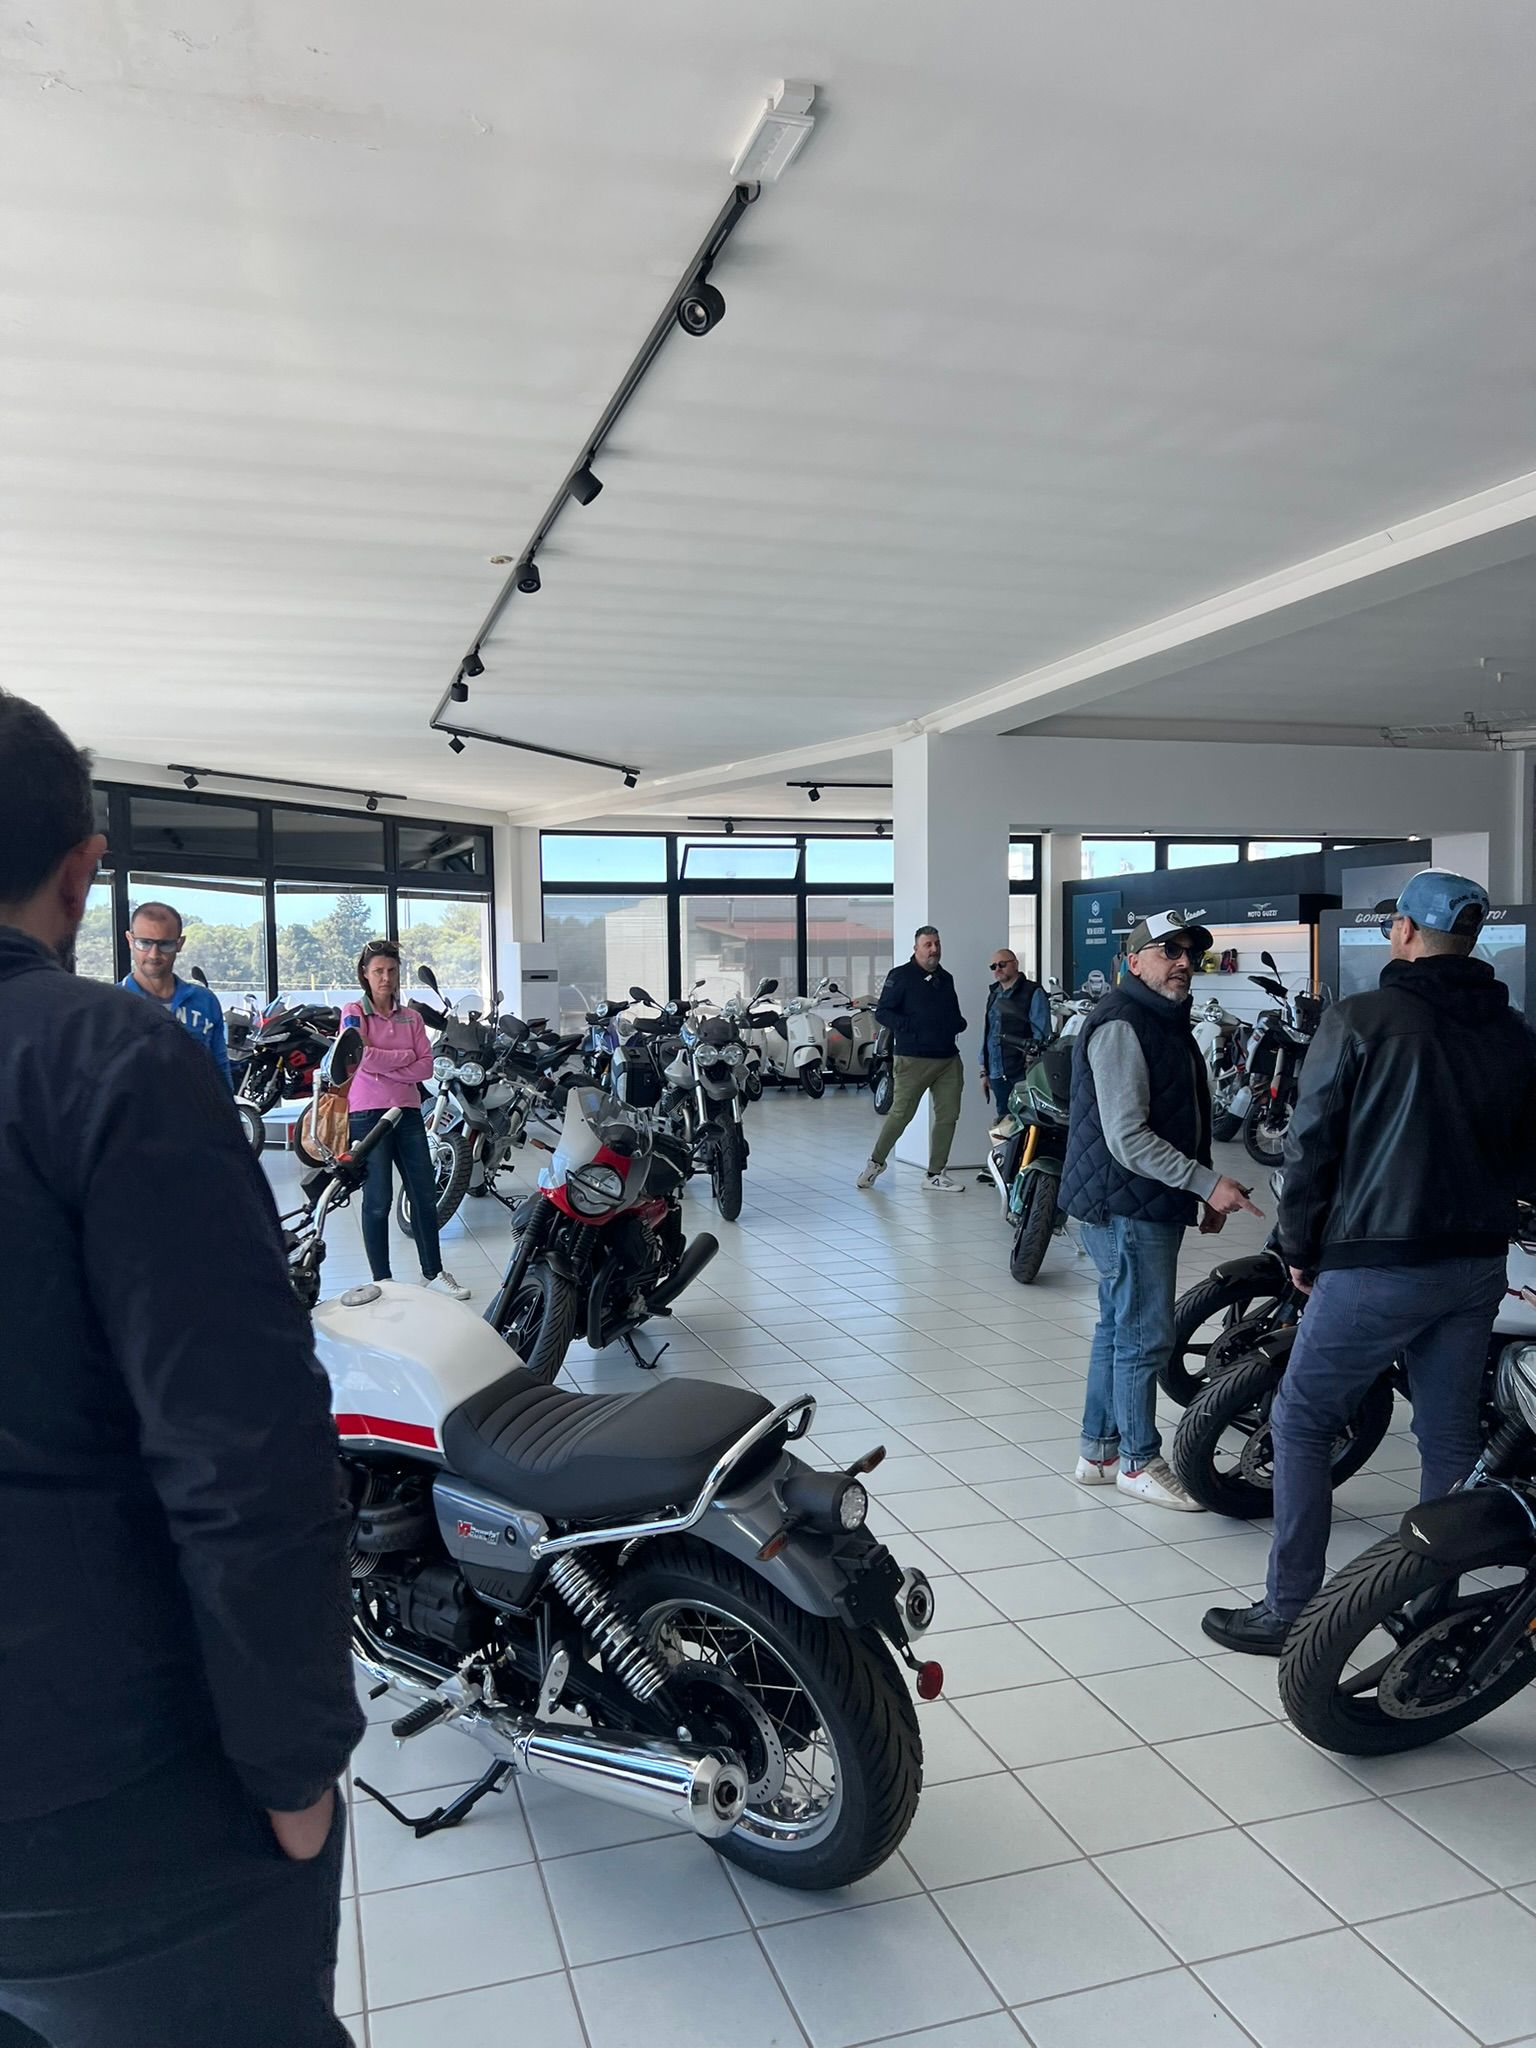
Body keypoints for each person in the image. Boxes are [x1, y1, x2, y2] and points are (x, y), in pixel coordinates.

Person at [0, 689, 362, 2047]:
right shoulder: (102, 1060)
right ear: (88, 871)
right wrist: (295, 1764)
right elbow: (240, 1454)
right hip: (106, 1800)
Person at [1205, 870, 1536, 1653]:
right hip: (1478, 1262)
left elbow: (1313, 1143)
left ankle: (1290, 1608)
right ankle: (1427, 1609)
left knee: (1303, 1416)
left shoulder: (1363, 1017)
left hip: (1378, 1260)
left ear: (1406, 934)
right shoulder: (1513, 1030)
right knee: (1450, 1437)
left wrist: (1298, 1246)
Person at [1059, 910, 1262, 1508]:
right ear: (1133, 960)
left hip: (1135, 1202)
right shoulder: (1125, 1023)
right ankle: (1139, 1462)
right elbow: (1129, 1138)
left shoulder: (1160, 1018)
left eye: (1188, 953)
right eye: (1166, 950)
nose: (1180, 962)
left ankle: (1099, 1452)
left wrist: (1197, 1191)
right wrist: (1205, 1182)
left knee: (1117, 1328)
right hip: (1126, 1209)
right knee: (1144, 1336)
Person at [340, 939, 470, 1299]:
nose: (385, 977)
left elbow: (425, 1066)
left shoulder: (411, 1017)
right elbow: (359, 1058)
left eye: (391, 971)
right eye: (378, 971)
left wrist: (384, 1064)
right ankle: (382, 1280)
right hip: (368, 1114)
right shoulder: (353, 1011)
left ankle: (434, 1273)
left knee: (424, 1195)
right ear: (365, 974)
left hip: (408, 1113)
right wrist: (402, 1060)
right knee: (378, 1198)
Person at [858, 925, 968, 1193]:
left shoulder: (946, 978)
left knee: (948, 1116)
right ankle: (875, 1163)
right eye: (928, 944)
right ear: (916, 949)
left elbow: (952, 1012)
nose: (934, 949)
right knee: (900, 1114)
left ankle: (934, 1174)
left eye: (937, 943)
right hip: (912, 1059)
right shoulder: (901, 976)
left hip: (948, 1060)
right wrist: (911, 1026)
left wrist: (957, 1024)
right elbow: (883, 1012)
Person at [119, 898, 233, 1087]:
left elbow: (220, 1068)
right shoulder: (112, 1004)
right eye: (144, 943)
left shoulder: (205, 1001)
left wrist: (229, 1113)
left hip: (196, 1114)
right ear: (130, 940)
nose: (154, 954)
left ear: (179, 944)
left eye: (165, 944)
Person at [980, 946, 1052, 1115]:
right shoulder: (994, 995)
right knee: (1005, 1125)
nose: (997, 969)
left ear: (1016, 964)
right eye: (993, 966)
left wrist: (1030, 1063)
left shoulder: (1033, 992)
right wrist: (984, 1071)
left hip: (1022, 1072)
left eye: (1002, 964)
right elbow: (988, 1033)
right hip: (997, 1072)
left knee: (1029, 1123)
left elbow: (1042, 1033)